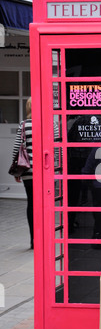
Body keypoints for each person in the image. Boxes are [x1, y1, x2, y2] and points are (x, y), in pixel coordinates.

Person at [11, 98, 33, 249]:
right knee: (46, 206)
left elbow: (17, 147)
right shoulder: (51, 124)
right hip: (46, 172)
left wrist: (16, 172)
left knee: (31, 203)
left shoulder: (24, 124)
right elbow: (58, 147)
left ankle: (34, 239)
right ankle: (46, 236)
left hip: (28, 170)